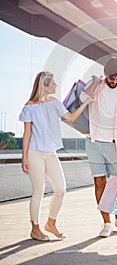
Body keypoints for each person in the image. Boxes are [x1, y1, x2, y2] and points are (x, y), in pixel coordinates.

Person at [19, 71, 92, 241]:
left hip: (50, 154)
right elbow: (27, 134)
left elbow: (71, 117)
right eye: (53, 83)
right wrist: (24, 157)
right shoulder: (29, 106)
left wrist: (86, 102)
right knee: (38, 191)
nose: (56, 86)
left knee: (60, 189)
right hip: (34, 153)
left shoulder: (56, 103)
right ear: (44, 86)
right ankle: (35, 229)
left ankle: (50, 223)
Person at [80, 56, 117, 237]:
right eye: (112, 78)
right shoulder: (96, 85)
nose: (114, 82)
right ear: (106, 74)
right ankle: (106, 223)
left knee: (116, 184)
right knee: (99, 182)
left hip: (114, 143)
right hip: (94, 141)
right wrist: (95, 83)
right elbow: (82, 98)